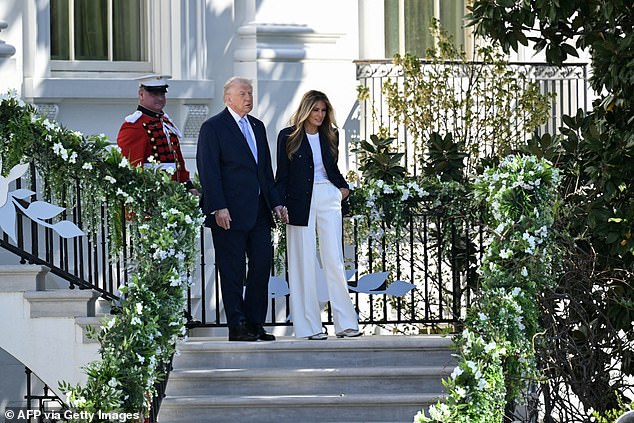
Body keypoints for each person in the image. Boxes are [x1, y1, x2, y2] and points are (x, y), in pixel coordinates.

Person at [196, 77, 285, 342]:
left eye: (250, 93)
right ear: (228, 98)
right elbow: (209, 170)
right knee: (232, 269)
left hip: (259, 210)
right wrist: (218, 207)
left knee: (261, 265)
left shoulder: (257, 126)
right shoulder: (213, 127)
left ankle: (255, 322)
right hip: (229, 212)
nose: (248, 97)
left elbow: (265, 171)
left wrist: (277, 201)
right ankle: (237, 323)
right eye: (242, 93)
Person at [275, 90, 361, 340]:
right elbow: (282, 175)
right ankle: (309, 326)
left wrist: (343, 190)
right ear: (306, 110)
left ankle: (346, 323)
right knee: (302, 261)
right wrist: (280, 204)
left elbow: (332, 168)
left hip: (328, 197)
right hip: (299, 201)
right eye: (315, 110)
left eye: (323, 110)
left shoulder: (331, 135)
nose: (320, 115)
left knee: (334, 259)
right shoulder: (288, 136)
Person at [117, 74, 199, 195]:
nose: (160, 98)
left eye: (162, 94)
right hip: (152, 196)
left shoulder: (165, 122)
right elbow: (131, 169)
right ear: (141, 94)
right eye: (154, 94)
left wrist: (187, 185)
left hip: (173, 195)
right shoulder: (134, 126)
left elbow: (178, 161)